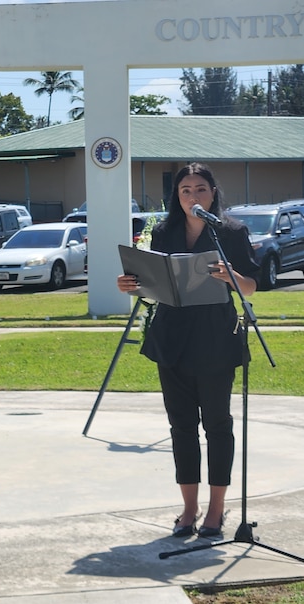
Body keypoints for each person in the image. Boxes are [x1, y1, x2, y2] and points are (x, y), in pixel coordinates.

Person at [117, 163, 259, 538]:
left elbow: (250, 287)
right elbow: (156, 284)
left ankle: (216, 510)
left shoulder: (231, 232)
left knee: (217, 424)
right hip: (173, 338)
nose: (192, 197)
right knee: (181, 426)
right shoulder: (165, 231)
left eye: (199, 189)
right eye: (185, 191)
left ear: (212, 193)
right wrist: (132, 284)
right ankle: (189, 508)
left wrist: (232, 277)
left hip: (215, 338)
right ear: (176, 197)